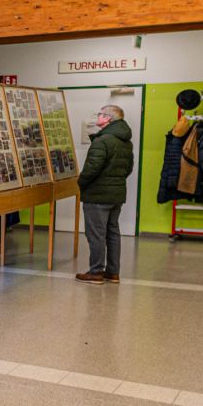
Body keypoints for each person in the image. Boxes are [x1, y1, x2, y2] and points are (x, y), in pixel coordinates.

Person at [76, 104, 135, 285]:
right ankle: (113, 272)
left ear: (108, 118)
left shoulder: (102, 141)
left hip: (97, 195)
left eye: (100, 114)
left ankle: (96, 272)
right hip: (116, 195)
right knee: (112, 233)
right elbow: (128, 168)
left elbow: (91, 169)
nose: (98, 116)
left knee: (96, 235)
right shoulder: (126, 141)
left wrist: (81, 182)